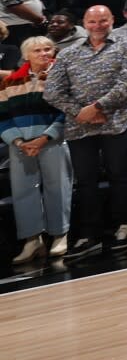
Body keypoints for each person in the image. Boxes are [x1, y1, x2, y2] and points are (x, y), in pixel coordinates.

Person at [41, 5, 127, 257]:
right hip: (79, 127)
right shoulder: (67, 54)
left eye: (103, 20)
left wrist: (98, 106)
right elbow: (51, 91)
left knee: (119, 175)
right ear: (84, 24)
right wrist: (80, 112)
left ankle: (124, 226)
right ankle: (90, 234)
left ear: (112, 20)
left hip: (116, 122)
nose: (98, 25)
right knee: (86, 181)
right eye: (92, 21)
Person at [3, 36, 71, 264]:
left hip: (51, 141)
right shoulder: (9, 82)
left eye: (47, 49)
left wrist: (45, 137)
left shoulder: (61, 78)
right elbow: (2, 117)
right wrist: (19, 142)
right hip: (20, 145)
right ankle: (32, 240)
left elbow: (66, 112)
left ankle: (60, 235)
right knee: (23, 192)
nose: (43, 53)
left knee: (58, 188)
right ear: (26, 56)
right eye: (37, 50)